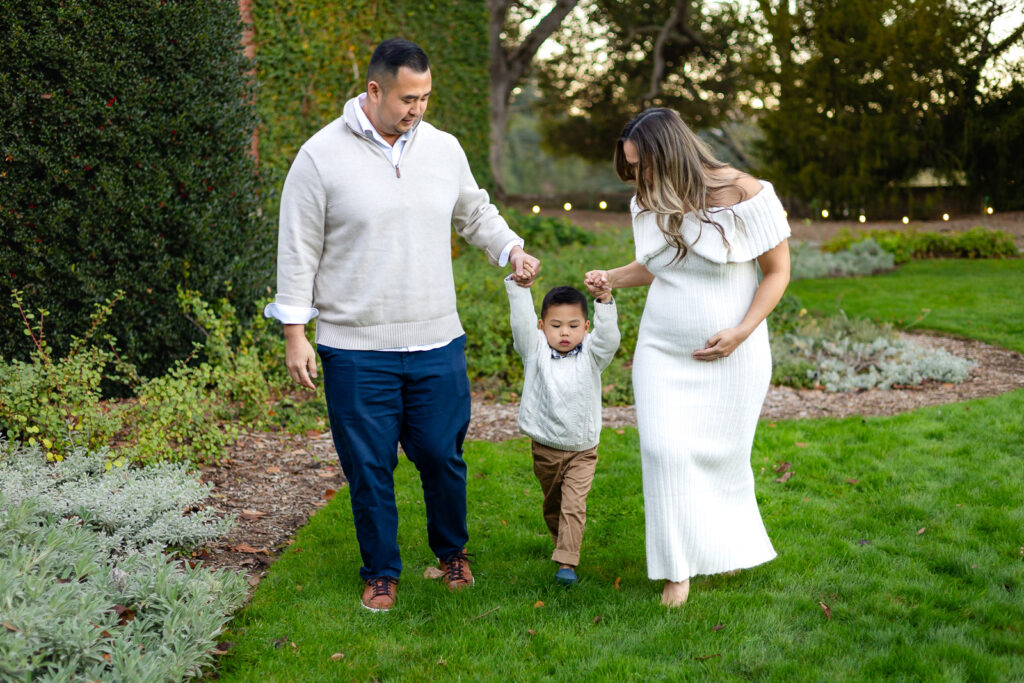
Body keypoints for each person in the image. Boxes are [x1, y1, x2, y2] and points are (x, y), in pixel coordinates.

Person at [265, 38, 540, 613]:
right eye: (408, 98)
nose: (418, 108)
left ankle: (452, 554)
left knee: (442, 455)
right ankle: (381, 572)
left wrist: (510, 248)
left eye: (426, 96)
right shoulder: (319, 156)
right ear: (374, 91)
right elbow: (298, 248)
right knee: (368, 467)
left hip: (437, 339)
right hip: (355, 346)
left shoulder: (442, 149)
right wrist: (295, 331)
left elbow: (475, 212)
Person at [584, 107, 790, 607]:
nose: (637, 176)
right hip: (662, 350)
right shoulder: (647, 200)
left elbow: (778, 272)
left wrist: (741, 331)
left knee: (723, 458)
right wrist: (611, 277)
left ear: (669, 152)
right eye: (631, 167)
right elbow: (658, 265)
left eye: (642, 164)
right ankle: (677, 572)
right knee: (664, 453)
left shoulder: (746, 192)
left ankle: (726, 548)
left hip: (733, 356)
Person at [505, 278, 620, 586]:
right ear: (542, 326)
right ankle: (562, 543)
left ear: (586, 327)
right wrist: (520, 287)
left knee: (573, 505)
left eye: (573, 326)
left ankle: (567, 562)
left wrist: (605, 301)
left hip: (582, 448)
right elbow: (521, 324)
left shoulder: (593, 355)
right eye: (556, 326)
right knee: (553, 504)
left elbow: (608, 339)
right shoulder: (534, 350)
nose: (565, 333)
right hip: (545, 447)